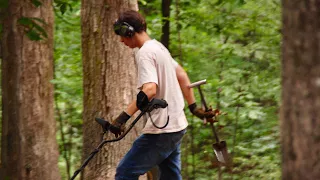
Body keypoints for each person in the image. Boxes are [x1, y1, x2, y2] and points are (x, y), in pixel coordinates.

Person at [102, 10, 216, 180]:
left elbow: (149, 90)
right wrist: (193, 108)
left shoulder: (145, 53)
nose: (121, 40)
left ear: (129, 31)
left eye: (121, 35)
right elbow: (182, 75)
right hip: (177, 125)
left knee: (125, 172)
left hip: (162, 130)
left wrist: (121, 119)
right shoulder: (158, 47)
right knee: (171, 176)